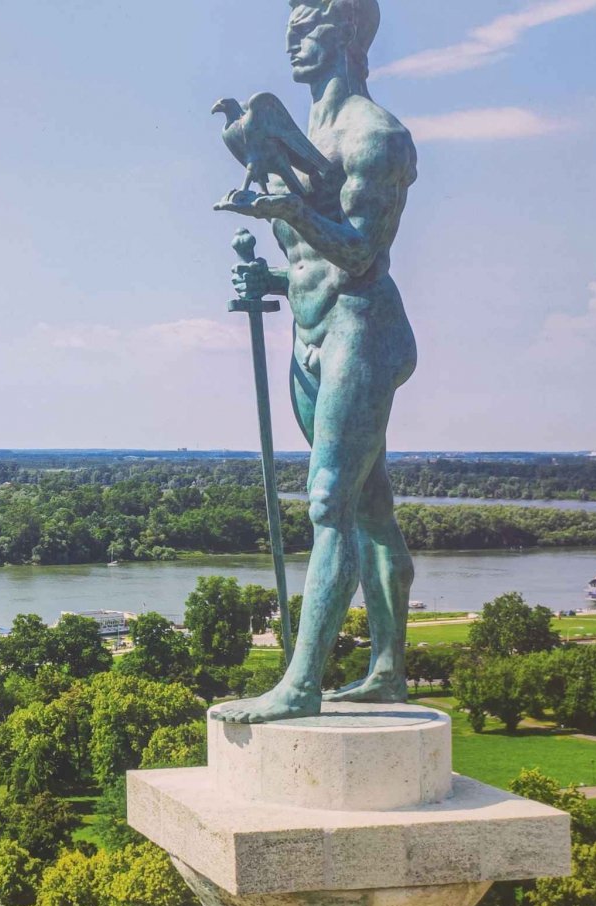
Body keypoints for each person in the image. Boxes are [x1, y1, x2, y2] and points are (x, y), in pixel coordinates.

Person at [214, 0, 418, 721]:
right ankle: (388, 670)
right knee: (370, 509)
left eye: (311, 29)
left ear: (349, 36)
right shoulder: (306, 137)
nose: (294, 41)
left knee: (330, 499)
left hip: (363, 332)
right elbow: (310, 263)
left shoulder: (376, 136)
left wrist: (292, 212)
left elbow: (361, 253)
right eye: (291, 30)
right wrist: (268, 281)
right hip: (311, 334)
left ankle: (300, 683)